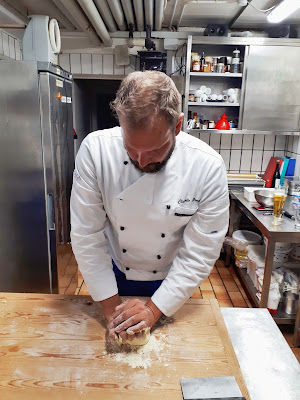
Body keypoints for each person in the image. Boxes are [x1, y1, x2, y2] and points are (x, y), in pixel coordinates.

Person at [70, 71, 229, 343]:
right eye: (131, 149)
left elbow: (200, 253)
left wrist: (154, 311)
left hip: (172, 278)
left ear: (177, 127)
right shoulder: (96, 151)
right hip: (113, 273)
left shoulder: (207, 167)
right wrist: (114, 314)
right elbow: (87, 235)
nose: (142, 161)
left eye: (154, 150)